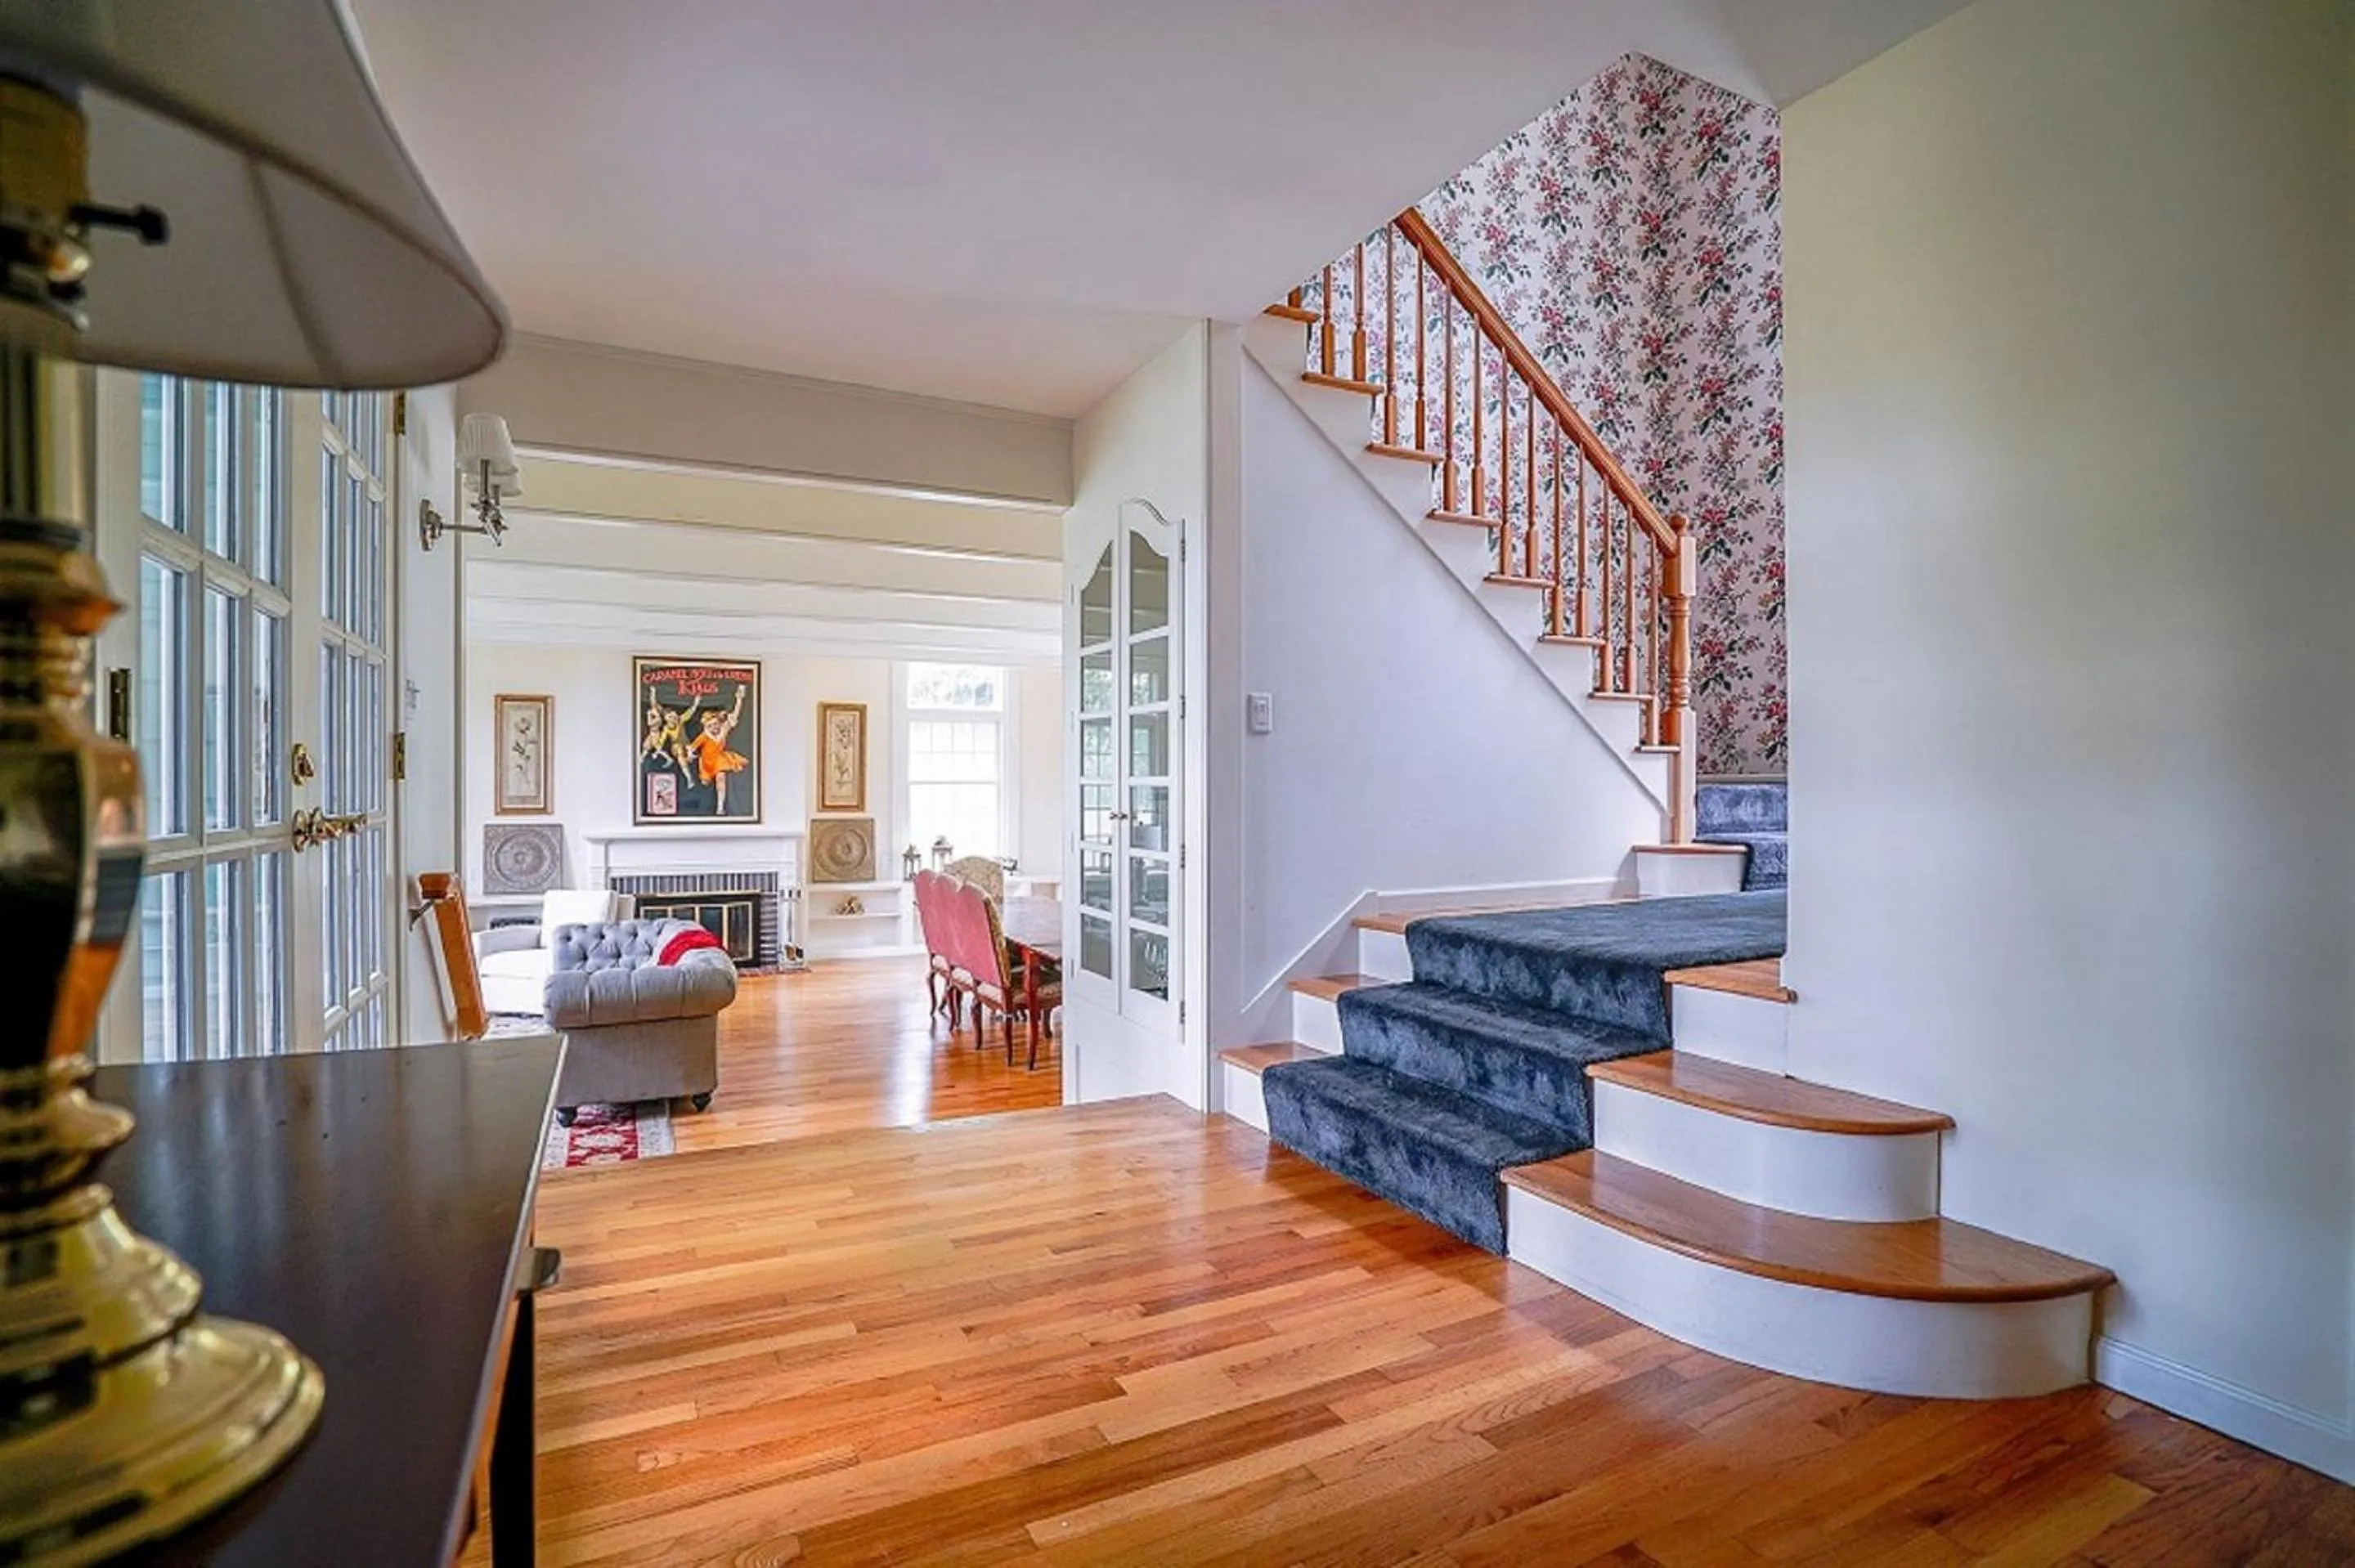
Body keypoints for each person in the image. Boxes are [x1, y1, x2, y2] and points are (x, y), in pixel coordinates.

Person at [685, 684, 750, 814]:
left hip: (719, 759)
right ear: (706, 727)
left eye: (715, 724)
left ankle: (720, 807)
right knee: (705, 783)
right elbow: (692, 747)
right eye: (710, 726)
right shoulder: (704, 736)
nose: (714, 727)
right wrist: (690, 754)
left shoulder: (723, 731)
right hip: (707, 762)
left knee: (721, 778)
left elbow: (734, 716)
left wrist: (739, 699)